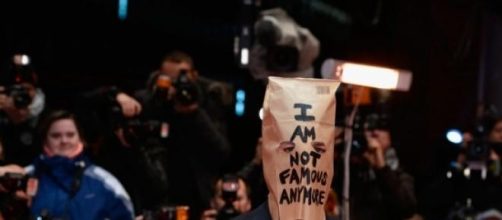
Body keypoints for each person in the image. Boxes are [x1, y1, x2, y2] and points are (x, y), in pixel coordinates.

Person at [0, 110, 135, 219]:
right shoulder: (24, 178)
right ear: (44, 140)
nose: (64, 141)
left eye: (70, 135)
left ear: (80, 138)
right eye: (56, 136)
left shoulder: (104, 181)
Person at [334, 113, 417, 220]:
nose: (375, 132)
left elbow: (406, 209)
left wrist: (381, 167)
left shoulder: (399, 172)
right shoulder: (354, 164)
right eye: (370, 128)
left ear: (390, 135)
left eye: (381, 128)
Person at [0, 54, 46, 166]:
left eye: (25, 90)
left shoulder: (48, 115)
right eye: (16, 91)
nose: (21, 96)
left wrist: (15, 113)